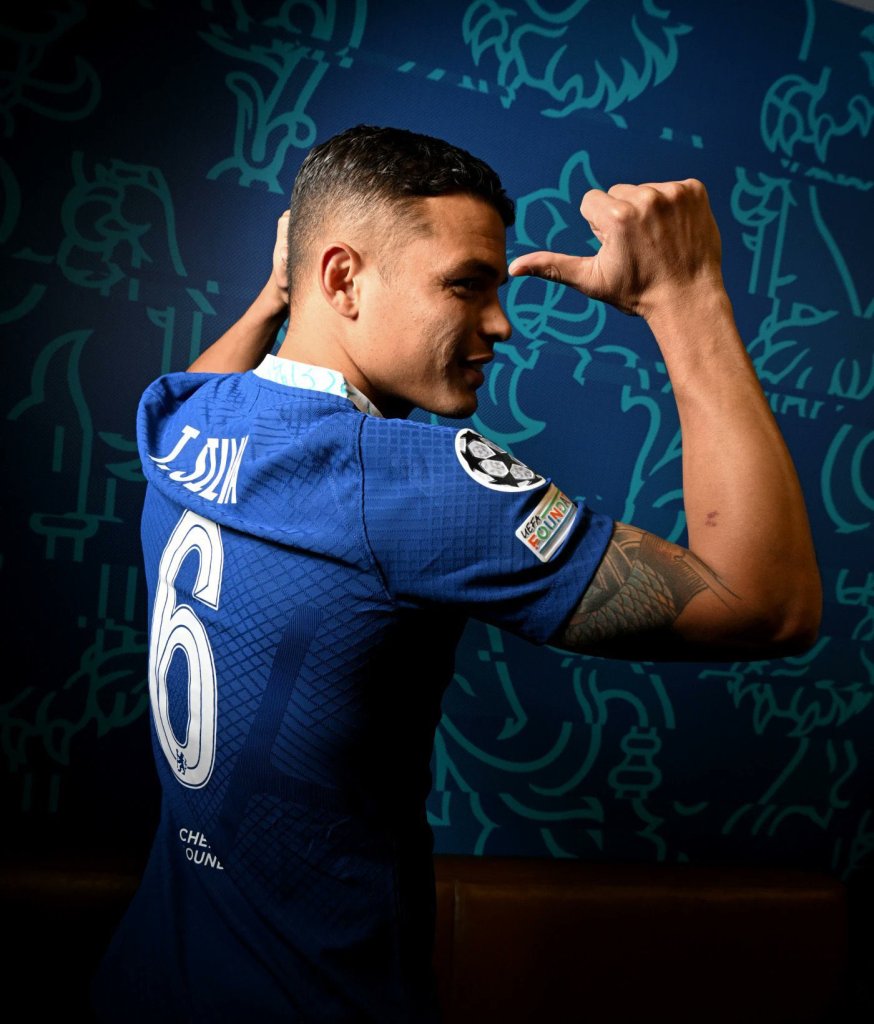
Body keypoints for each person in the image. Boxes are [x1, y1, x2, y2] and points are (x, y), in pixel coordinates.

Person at [92, 124, 821, 1023]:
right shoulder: (420, 485)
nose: (501, 322)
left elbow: (220, 380)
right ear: (342, 279)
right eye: (466, 284)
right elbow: (769, 606)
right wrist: (687, 295)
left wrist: (278, 296)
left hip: (144, 986)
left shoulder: (184, 420)